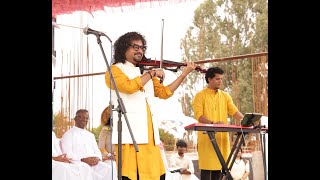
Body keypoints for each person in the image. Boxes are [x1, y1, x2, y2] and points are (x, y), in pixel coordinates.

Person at [104, 31, 197, 180]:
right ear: (123, 48)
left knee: (157, 176)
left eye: (142, 47)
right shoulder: (115, 70)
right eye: (135, 47)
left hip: (150, 135)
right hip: (130, 135)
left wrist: (184, 74)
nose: (140, 50)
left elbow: (164, 93)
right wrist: (152, 73)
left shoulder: (145, 71)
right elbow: (129, 86)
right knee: (132, 176)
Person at [192, 67, 244, 180]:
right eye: (217, 79)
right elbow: (198, 115)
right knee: (207, 172)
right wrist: (213, 123)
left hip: (222, 140)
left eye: (221, 79)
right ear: (209, 79)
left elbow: (234, 111)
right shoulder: (200, 96)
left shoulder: (225, 96)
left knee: (220, 170)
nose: (220, 81)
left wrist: (246, 121)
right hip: (207, 139)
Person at [60, 109, 112, 180]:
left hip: (94, 163)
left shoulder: (91, 135)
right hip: (77, 162)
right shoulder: (68, 134)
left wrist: (97, 158)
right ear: (75, 118)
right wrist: (84, 159)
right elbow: (67, 153)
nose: (83, 119)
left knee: (108, 168)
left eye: (86, 118)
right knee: (85, 169)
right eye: (80, 117)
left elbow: (96, 150)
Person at [98, 106, 118, 180]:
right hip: (108, 158)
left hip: (121, 157)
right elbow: (101, 147)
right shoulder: (104, 131)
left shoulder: (123, 131)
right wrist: (109, 155)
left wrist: (116, 155)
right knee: (111, 165)